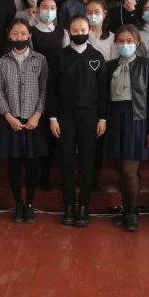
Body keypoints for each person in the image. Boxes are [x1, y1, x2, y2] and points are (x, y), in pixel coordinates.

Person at [48, 14, 109, 227]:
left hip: (90, 116)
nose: (80, 33)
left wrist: (102, 118)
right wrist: (53, 117)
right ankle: (68, 205)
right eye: (75, 30)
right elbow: (51, 90)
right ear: (69, 31)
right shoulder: (60, 56)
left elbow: (103, 91)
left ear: (89, 30)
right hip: (64, 117)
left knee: (86, 162)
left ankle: (84, 205)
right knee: (65, 161)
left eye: (83, 30)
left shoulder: (97, 57)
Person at [0, 19, 50, 223]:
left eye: (23, 33)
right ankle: (18, 203)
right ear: (9, 35)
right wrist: (8, 116)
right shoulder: (2, 62)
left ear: (29, 36)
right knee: (14, 164)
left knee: (33, 164)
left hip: (34, 120)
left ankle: (30, 204)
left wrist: (38, 114)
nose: (19, 37)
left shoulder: (40, 60)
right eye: (15, 33)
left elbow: (45, 89)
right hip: (11, 121)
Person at [107, 25, 149, 231]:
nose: (125, 44)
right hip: (115, 117)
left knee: (129, 170)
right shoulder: (110, 66)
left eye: (129, 41)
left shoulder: (147, 64)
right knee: (120, 169)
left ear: (137, 43)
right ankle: (126, 210)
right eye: (121, 41)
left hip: (136, 119)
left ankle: (133, 213)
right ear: (115, 43)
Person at [30, 0, 69, 189]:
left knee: (54, 132)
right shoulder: (30, 32)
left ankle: (48, 175)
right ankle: (37, 176)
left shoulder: (63, 32)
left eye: (52, 7)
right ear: (37, 10)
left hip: (57, 86)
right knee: (38, 133)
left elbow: (67, 58)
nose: (48, 10)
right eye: (44, 7)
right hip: (35, 86)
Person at [86, 0, 118, 190]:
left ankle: (95, 176)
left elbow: (112, 66)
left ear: (104, 14)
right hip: (83, 92)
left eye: (97, 12)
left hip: (103, 91)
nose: (93, 16)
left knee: (99, 138)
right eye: (89, 12)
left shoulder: (112, 38)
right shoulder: (78, 33)